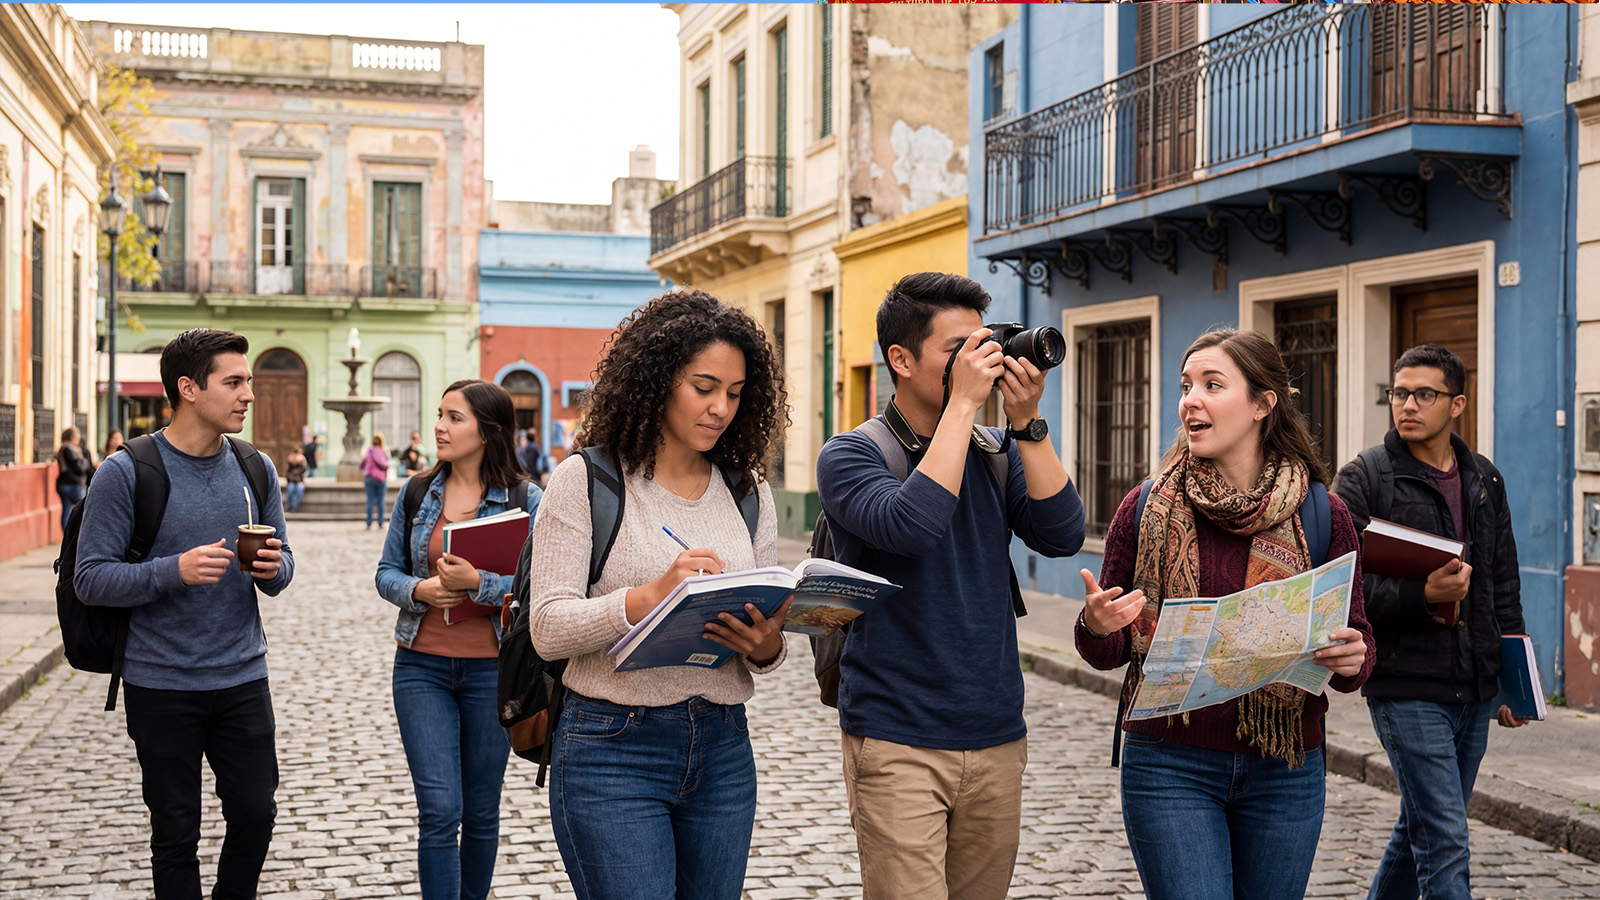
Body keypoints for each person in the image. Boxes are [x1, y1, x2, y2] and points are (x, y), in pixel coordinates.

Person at [1074, 328, 1374, 900]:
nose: (1192, 399)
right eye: (1187, 385)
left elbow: (1356, 649)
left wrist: (1351, 654)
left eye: (1213, 384)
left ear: (1263, 404)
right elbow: (1106, 650)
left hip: (1285, 766)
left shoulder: (1322, 512)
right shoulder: (1144, 508)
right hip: (1169, 763)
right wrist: (1098, 625)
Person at [814, 272, 1086, 900]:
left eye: (982, 343)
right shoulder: (851, 456)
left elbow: (1063, 533)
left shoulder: (997, 450)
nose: (979, 360)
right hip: (896, 735)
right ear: (901, 360)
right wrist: (963, 405)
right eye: (957, 349)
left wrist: (1028, 423)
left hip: (995, 732)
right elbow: (913, 526)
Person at [526, 289, 789, 900]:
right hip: (611, 747)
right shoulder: (587, 480)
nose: (720, 407)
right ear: (658, 380)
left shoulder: (748, 491)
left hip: (723, 746)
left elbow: (768, 643)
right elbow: (547, 626)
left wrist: (766, 643)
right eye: (704, 387)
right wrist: (652, 595)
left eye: (735, 392)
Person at [75, 327, 293, 900]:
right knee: (175, 835)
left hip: (242, 677)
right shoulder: (126, 472)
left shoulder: (255, 467)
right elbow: (90, 579)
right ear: (188, 388)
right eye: (235, 382)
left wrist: (272, 570)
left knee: (256, 814)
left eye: (249, 381)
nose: (249, 394)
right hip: (160, 684)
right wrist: (173, 570)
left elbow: (284, 568)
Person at [1332, 344, 1527, 900]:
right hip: (1404, 683)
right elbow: (1339, 586)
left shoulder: (1483, 479)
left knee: (1419, 825)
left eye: (1424, 394)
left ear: (1457, 403)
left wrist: (1513, 680)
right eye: (1399, 393)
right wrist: (1422, 595)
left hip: (1475, 686)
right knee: (1445, 837)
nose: (1407, 405)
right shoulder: (1366, 477)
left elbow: (1501, 583)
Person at [374, 379, 541, 900]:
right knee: (441, 810)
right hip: (420, 669)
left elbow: (546, 589)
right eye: (440, 415)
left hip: (493, 673)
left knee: (481, 810)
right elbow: (385, 573)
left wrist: (481, 586)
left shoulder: (527, 499)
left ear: (488, 432)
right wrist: (419, 589)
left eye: (454, 418)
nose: (440, 427)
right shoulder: (418, 491)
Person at [55, 426, 93, 530]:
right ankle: (79, 534)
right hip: (75, 484)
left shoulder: (61, 449)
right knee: (84, 509)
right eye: (77, 437)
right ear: (72, 437)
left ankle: (66, 534)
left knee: (66, 510)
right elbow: (81, 468)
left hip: (62, 484)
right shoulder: (73, 450)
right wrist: (81, 458)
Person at [362, 432, 391, 529]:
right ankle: (381, 523)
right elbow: (386, 463)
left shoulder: (369, 451)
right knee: (381, 501)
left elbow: (362, 462)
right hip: (381, 478)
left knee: (370, 500)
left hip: (369, 478)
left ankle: (369, 523)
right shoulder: (384, 451)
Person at [284, 448, 308, 513]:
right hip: (292, 481)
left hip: (299, 481)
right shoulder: (290, 462)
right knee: (290, 489)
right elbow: (288, 473)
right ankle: (289, 506)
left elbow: (303, 472)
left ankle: (295, 506)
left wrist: (300, 463)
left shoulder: (302, 462)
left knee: (299, 489)